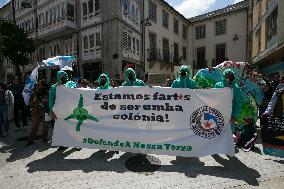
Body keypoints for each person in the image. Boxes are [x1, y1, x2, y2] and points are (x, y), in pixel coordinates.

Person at [49, 70, 77, 151]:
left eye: (64, 76)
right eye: (60, 76)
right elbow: (51, 100)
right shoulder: (53, 87)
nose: (62, 77)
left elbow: (76, 93)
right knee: (62, 128)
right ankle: (64, 144)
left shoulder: (72, 84)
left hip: (71, 110)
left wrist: (63, 87)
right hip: (60, 112)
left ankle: (76, 143)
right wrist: (52, 111)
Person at [26, 80, 49, 146]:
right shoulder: (34, 93)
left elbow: (50, 102)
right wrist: (33, 101)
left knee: (46, 126)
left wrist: (45, 102)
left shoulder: (47, 93)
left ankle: (45, 137)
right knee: (34, 127)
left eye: (39, 85)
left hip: (45, 111)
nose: (37, 86)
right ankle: (31, 140)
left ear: (43, 86)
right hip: (36, 112)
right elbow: (30, 103)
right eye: (37, 85)